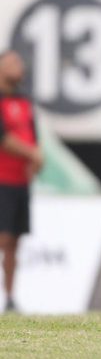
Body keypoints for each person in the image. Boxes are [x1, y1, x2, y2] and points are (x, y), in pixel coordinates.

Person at [0, 51, 43, 313]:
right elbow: (4, 139)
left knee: (14, 242)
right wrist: (32, 154)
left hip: (20, 182)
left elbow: (33, 137)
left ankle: (10, 299)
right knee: (3, 238)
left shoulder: (25, 101)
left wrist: (36, 161)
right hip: (1, 180)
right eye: (13, 62)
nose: (20, 66)